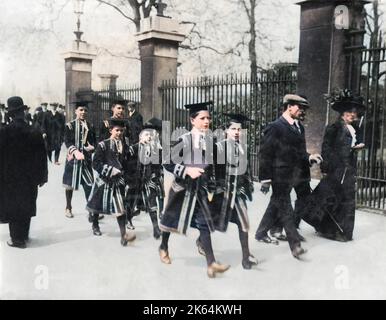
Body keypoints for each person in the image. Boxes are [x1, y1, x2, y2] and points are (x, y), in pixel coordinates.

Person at [159, 101, 230, 278]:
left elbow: (214, 167)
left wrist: (217, 184)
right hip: (182, 189)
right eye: (202, 118)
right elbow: (167, 163)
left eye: (208, 118)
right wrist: (187, 170)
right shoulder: (185, 141)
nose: (207, 121)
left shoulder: (211, 141)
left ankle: (211, 264)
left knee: (205, 224)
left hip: (201, 191)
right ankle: (163, 246)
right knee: (170, 221)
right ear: (193, 120)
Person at [254, 94, 322, 259]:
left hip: (296, 174)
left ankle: (261, 232)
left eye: (304, 108)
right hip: (280, 175)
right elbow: (265, 154)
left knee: (276, 203)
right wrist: (265, 179)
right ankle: (295, 245)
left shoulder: (299, 127)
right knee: (286, 208)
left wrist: (309, 157)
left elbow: (298, 152)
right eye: (300, 107)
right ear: (289, 106)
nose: (302, 111)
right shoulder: (275, 127)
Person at [314, 89, 365, 241]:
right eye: (349, 113)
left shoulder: (355, 129)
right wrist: (325, 168)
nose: (352, 116)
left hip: (349, 169)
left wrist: (358, 146)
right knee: (332, 199)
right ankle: (327, 229)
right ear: (342, 114)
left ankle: (345, 232)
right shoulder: (334, 128)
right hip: (336, 168)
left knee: (347, 200)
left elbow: (353, 145)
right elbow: (326, 148)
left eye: (354, 113)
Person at [209, 113, 258, 269]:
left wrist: (247, 184)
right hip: (221, 193)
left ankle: (246, 257)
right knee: (214, 222)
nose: (237, 132)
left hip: (238, 193)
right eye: (233, 129)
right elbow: (212, 170)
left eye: (239, 129)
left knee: (244, 222)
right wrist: (215, 187)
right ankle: (201, 241)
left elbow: (247, 169)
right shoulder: (219, 148)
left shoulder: (244, 147)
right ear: (226, 130)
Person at [0, 96, 47, 248]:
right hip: (30, 177)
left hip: (10, 177)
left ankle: (17, 239)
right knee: (27, 203)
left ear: (11, 114)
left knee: (13, 205)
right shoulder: (34, 130)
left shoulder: (4, 132)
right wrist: (42, 177)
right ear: (23, 112)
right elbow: (42, 156)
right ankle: (24, 235)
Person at [86, 118, 136, 244]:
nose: (119, 133)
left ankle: (123, 235)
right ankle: (95, 224)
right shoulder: (103, 145)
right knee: (97, 205)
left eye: (121, 131)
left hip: (118, 181)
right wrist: (109, 170)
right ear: (110, 130)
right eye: (117, 130)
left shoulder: (125, 146)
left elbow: (127, 162)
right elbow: (95, 163)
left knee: (120, 208)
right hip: (104, 180)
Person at [62, 101, 96, 218]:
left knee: (89, 184)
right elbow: (67, 141)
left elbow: (93, 142)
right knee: (69, 184)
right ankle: (68, 207)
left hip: (86, 160)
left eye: (85, 110)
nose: (83, 112)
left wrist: (92, 147)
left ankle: (91, 209)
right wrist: (75, 152)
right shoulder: (70, 125)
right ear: (76, 111)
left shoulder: (90, 126)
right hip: (73, 159)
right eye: (81, 110)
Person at [133, 118, 164, 239]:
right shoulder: (139, 145)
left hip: (152, 177)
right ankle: (127, 219)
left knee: (152, 201)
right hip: (138, 179)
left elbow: (160, 162)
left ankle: (156, 228)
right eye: (151, 131)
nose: (154, 134)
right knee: (133, 204)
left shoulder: (158, 146)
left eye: (157, 131)